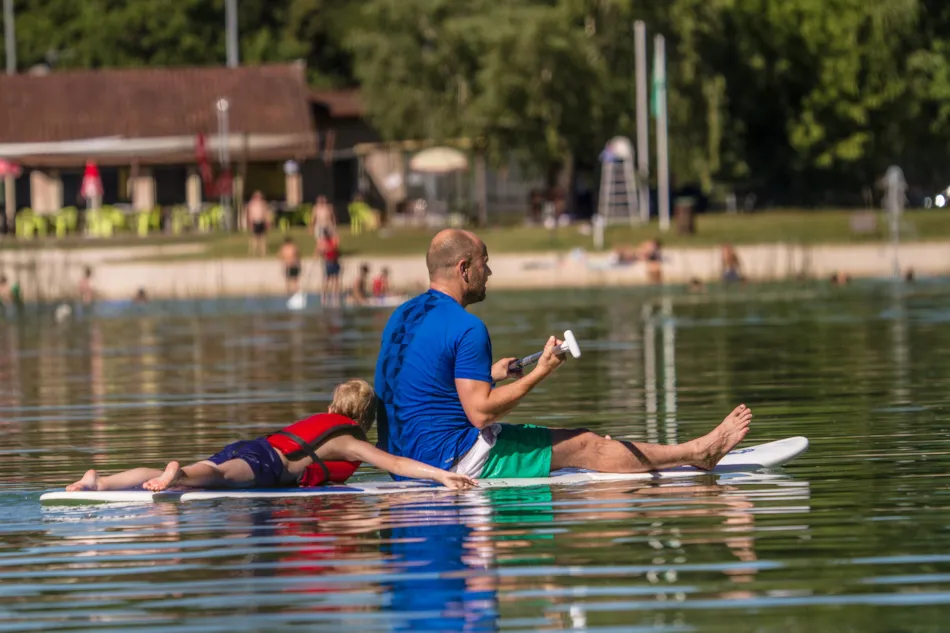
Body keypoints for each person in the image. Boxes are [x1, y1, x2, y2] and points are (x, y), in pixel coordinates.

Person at [374, 229, 753, 482]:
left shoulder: (401, 317)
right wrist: (541, 371)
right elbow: (481, 412)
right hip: (452, 462)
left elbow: (423, 384)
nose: (489, 271)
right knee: (585, 444)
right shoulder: (467, 327)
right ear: (463, 269)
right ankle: (700, 452)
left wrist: (491, 372)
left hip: (400, 463)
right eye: (483, 262)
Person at [65, 379, 476, 492]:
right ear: (362, 419)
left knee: (209, 469)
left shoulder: (324, 423)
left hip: (254, 447)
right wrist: (441, 475)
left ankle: (99, 481)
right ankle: (180, 474)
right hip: (268, 464)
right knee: (213, 477)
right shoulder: (349, 441)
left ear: (333, 408)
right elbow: (396, 463)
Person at [318, 227, 342, 306]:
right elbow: (321, 250)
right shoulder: (323, 242)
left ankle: (335, 296)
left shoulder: (333, 240)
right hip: (329, 262)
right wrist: (323, 251)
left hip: (335, 261)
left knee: (336, 280)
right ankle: (324, 296)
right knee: (327, 280)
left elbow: (336, 245)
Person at [245, 191, 271, 256]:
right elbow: (250, 214)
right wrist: (250, 222)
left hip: (262, 221)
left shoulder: (263, 204)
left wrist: (267, 221)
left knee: (263, 237)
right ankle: (252, 251)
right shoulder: (251, 204)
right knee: (254, 238)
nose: (258, 198)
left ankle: (263, 251)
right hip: (255, 221)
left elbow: (266, 213)